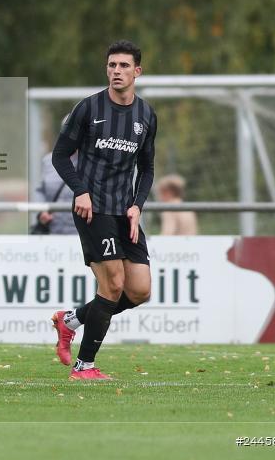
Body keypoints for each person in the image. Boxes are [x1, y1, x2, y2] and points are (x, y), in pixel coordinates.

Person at [49, 40, 157, 380]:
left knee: (139, 290)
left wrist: (138, 206)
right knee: (112, 285)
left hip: (125, 212)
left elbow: (148, 168)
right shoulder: (88, 108)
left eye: (124, 66)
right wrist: (80, 191)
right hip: (92, 210)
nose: (117, 71)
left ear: (137, 71)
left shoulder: (146, 116)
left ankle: (71, 320)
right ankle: (84, 367)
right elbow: (59, 155)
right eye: (112, 65)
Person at [32, 121, 77, 235]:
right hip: (53, 232)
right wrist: (41, 212)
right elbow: (40, 191)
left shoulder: (92, 162)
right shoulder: (48, 160)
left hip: (81, 234)